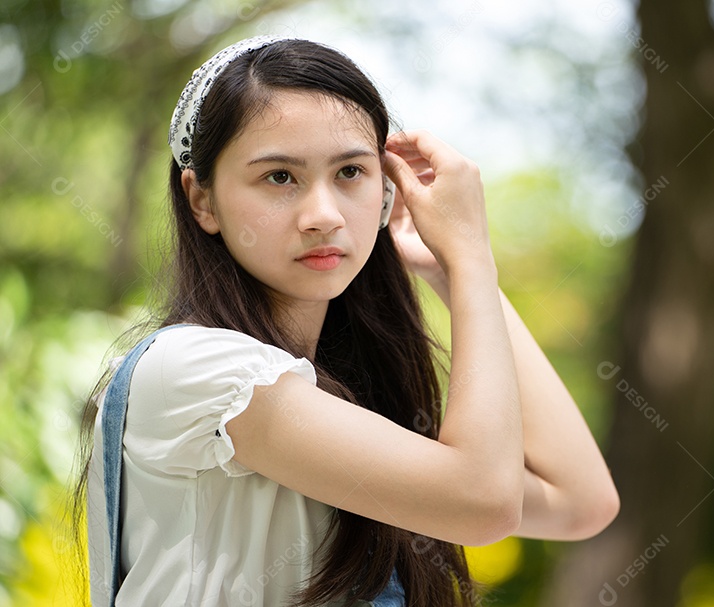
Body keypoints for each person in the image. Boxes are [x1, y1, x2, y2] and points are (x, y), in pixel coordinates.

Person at [70, 36, 619, 606]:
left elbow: (580, 501)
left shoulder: (335, 402)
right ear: (202, 201)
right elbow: (484, 502)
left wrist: (451, 276)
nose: (324, 216)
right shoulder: (198, 370)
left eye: (351, 172)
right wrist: (472, 256)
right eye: (279, 177)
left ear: (386, 190)